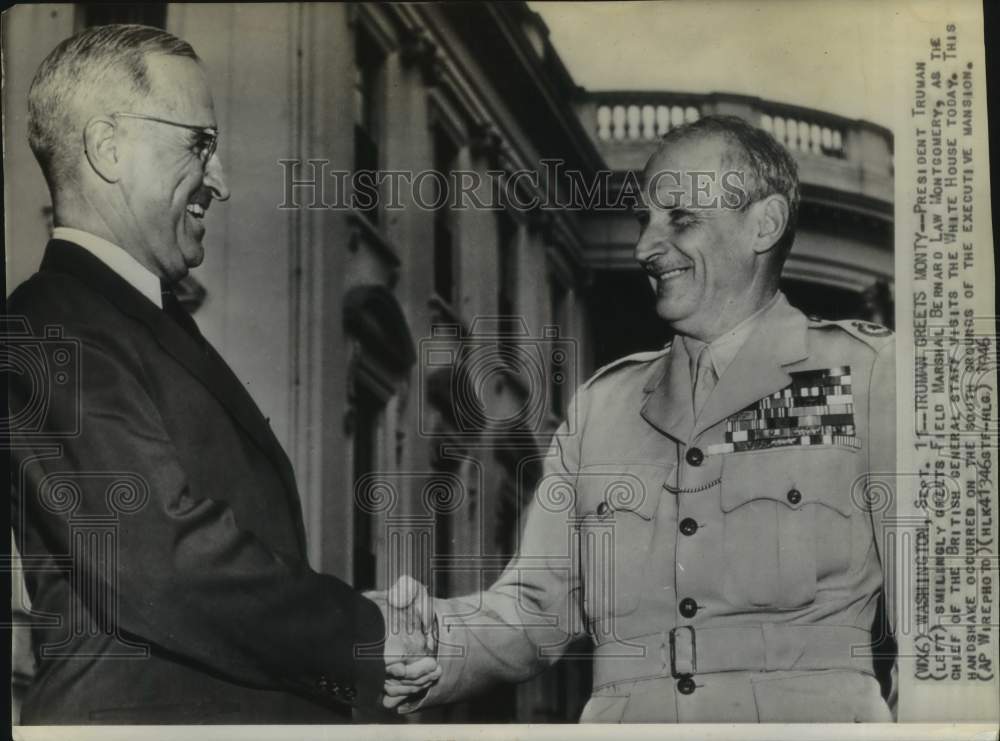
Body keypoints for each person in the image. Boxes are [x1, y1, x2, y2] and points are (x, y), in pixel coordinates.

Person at [380, 115, 897, 722]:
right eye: (644, 221)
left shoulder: (871, 376)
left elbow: (945, 627)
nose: (644, 248)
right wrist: (421, 639)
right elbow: (532, 611)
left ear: (765, 223)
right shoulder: (602, 407)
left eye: (680, 218)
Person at [7, 24, 437, 724]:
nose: (222, 183)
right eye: (199, 145)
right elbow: (163, 562)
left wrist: (355, 630)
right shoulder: (50, 322)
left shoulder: (135, 321)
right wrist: (361, 633)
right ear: (108, 148)